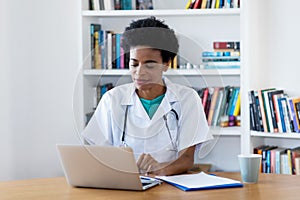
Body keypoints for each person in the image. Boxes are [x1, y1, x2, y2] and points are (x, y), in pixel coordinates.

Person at [82, 16, 213, 176]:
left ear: (166, 64)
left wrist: (161, 169)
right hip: (125, 184)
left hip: (170, 184)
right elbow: (98, 154)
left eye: (149, 65)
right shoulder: (112, 99)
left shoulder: (187, 99)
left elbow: (186, 159)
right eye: (134, 64)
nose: (140, 72)